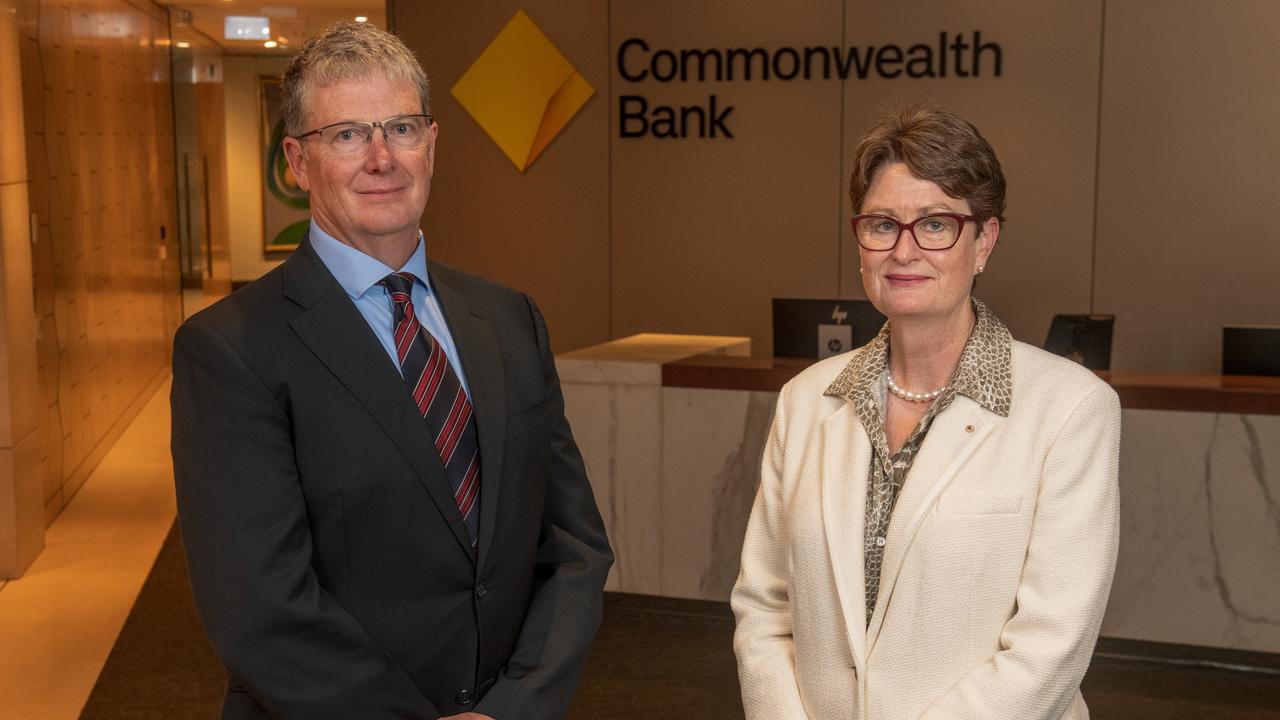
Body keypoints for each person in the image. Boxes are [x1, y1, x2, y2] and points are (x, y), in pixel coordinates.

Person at [170, 22, 612, 720]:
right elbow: (259, 607)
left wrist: (517, 706)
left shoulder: (508, 320)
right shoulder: (231, 349)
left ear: (431, 146)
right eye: (346, 134)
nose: (382, 157)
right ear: (296, 161)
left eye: (402, 128)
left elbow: (575, 547)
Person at [731, 106, 1120, 719]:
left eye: (935, 224)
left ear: (984, 241)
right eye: (882, 224)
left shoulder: (1071, 409)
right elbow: (763, 606)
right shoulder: (805, 401)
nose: (904, 251)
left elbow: (1053, 643)